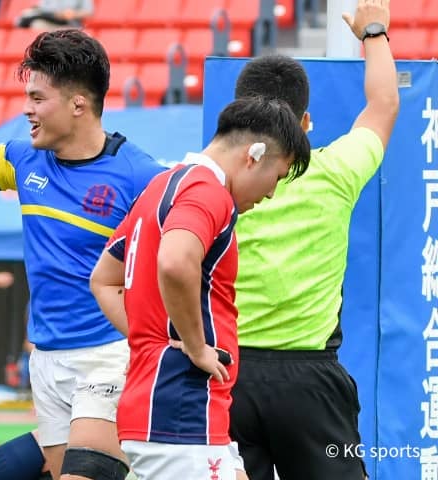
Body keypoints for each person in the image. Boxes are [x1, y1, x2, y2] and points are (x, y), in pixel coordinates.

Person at [0, 29, 167, 480]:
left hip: (111, 353)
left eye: (37, 98)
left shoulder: (141, 176)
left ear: (78, 105)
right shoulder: (24, 160)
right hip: (46, 358)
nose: (26, 109)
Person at [89, 96, 311, 480]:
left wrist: (155, 340)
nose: (272, 193)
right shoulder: (208, 192)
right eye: (277, 176)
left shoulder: (161, 186)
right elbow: (176, 262)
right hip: (182, 411)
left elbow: (105, 279)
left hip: (181, 412)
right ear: (254, 155)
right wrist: (193, 346)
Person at [227, 1, 398, 479]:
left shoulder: (204, 181)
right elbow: (384, 104)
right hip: (311, 383)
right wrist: (374, 32)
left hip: (227, 377)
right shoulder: (337, 170)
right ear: (305, 123)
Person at [16, 0, 93, 31]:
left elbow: (88, 12)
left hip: (69, 23)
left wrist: (73, 13)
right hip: (50, 20)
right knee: (36, 23)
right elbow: (43, 8)